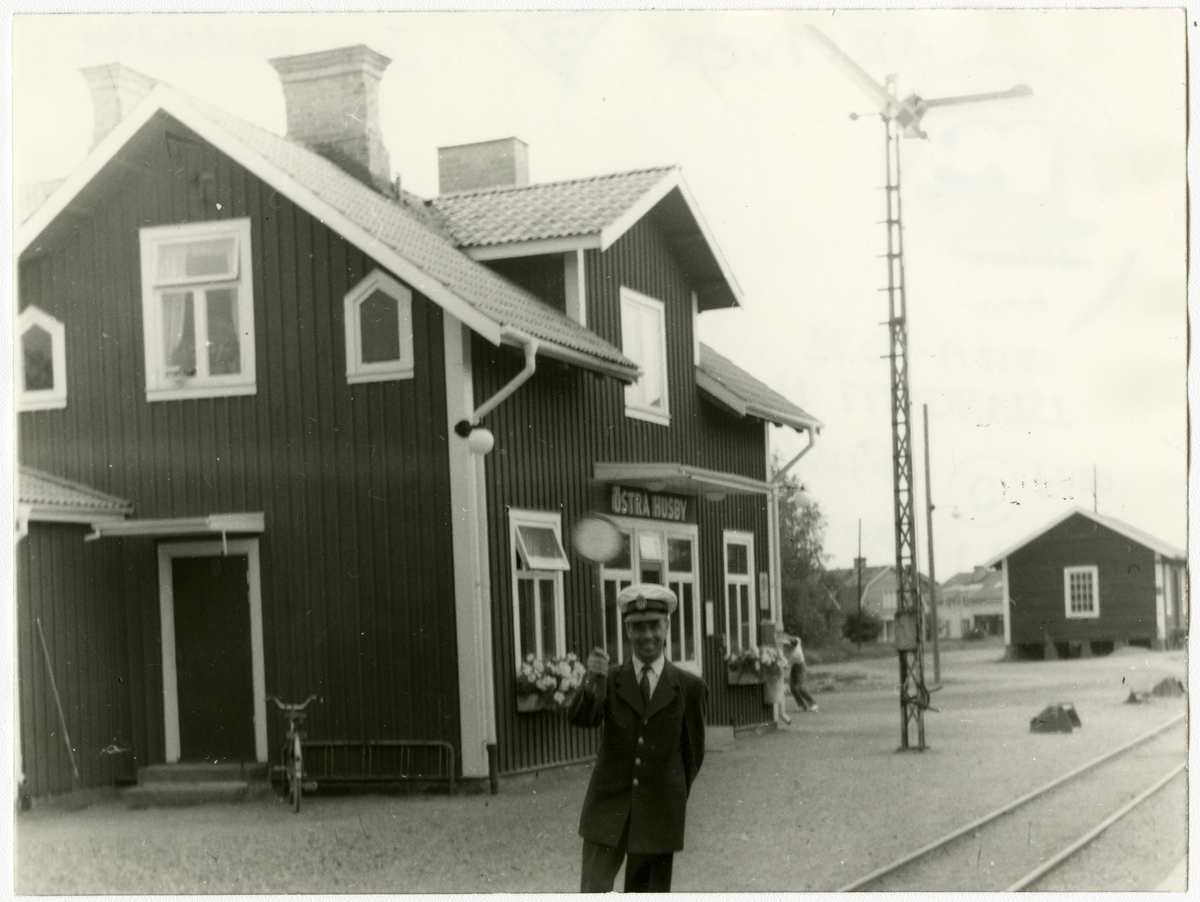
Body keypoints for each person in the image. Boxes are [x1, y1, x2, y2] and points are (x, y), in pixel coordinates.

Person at [570, 584, 708, 893]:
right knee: (593, 890)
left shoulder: (689, 687)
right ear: (627, 631)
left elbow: (692, 756)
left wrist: (667, 798)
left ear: (667, 626)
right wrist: (592, 680)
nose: (646, 635)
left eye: (653, 625)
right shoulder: (611, 678)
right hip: (606, 810)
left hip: (658, 813)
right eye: (637, 627)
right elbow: (582, 718)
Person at [783, 634, 817, 713]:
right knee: (792, 688)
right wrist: (786, 636)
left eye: (789, 645)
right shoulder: (797, 642)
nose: (787, 646)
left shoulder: (796, 654)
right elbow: (796, 639)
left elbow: (787, 665)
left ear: (792, 645)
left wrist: (781, 665)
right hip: (795, 668)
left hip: (800, 668)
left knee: (799, 687)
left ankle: (813, 704)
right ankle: (801, 706)